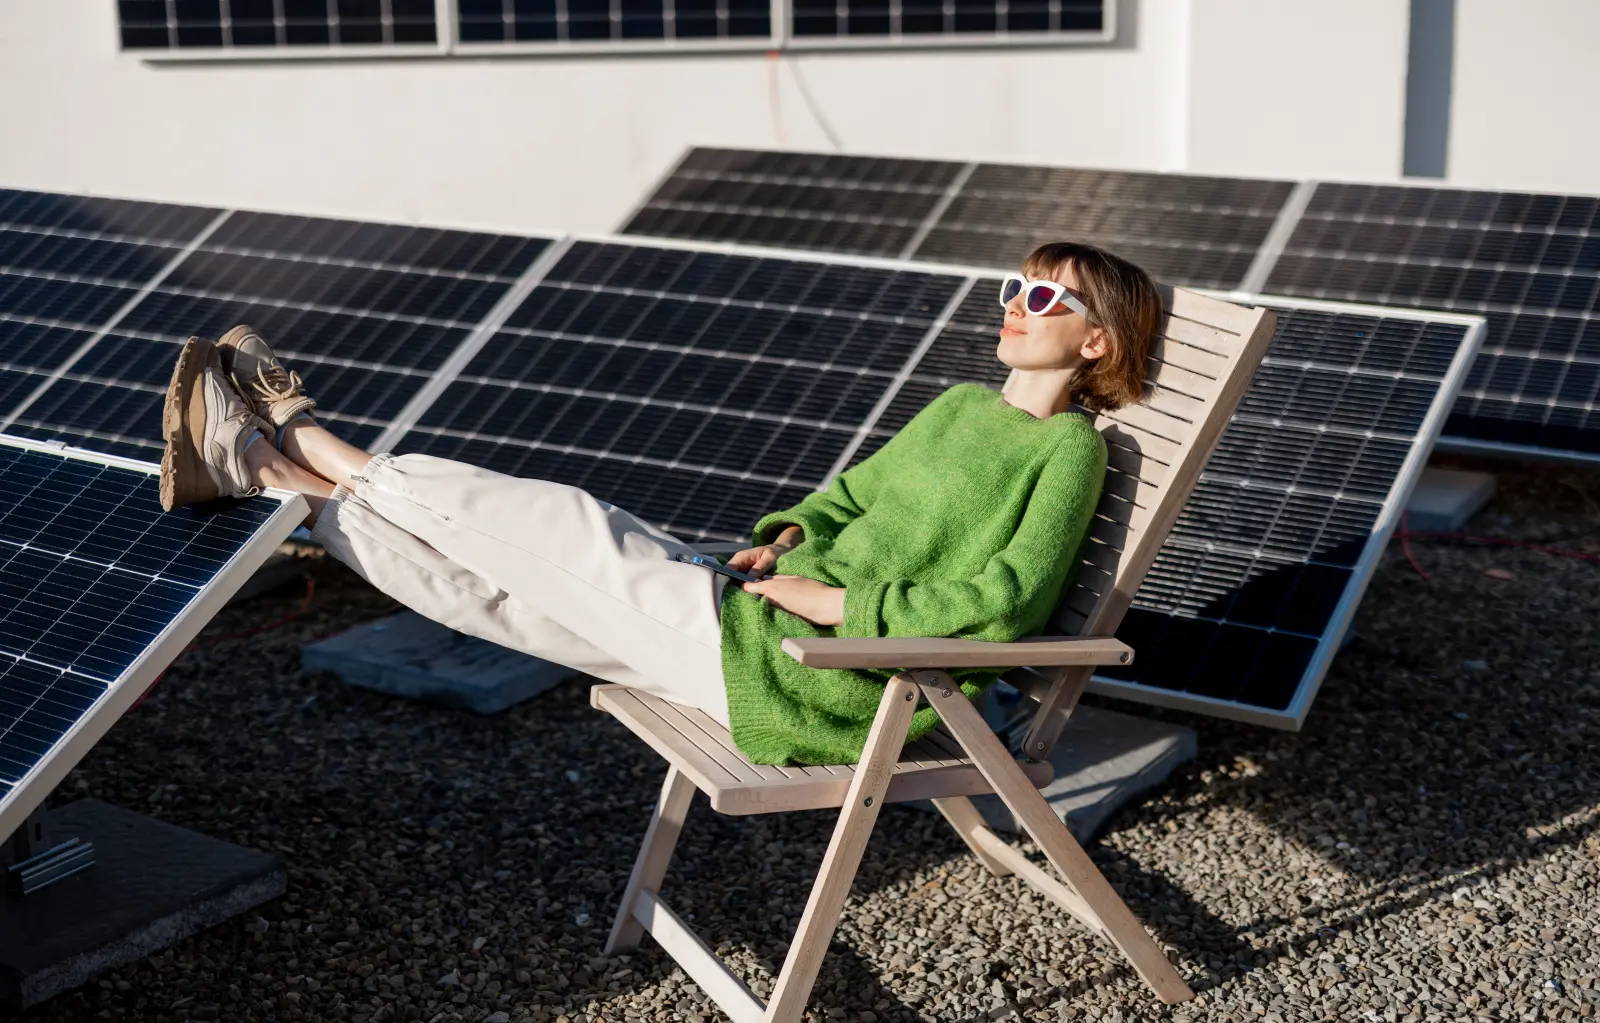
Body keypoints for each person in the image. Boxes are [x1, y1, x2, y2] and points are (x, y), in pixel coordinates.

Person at [157, 242, 1160, 766]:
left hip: (834, 677)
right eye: (1012, 287)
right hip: (755, 621)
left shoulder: (1067, 449)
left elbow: (1006, 603)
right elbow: (850, 496)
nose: (1012, 308)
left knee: (565, 528)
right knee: (498, 598)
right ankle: (265, 472)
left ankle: (305, 436)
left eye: (1042, 300)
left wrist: (839, 610)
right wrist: (792, 543)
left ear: (1096, 342)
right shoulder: (957, 406)